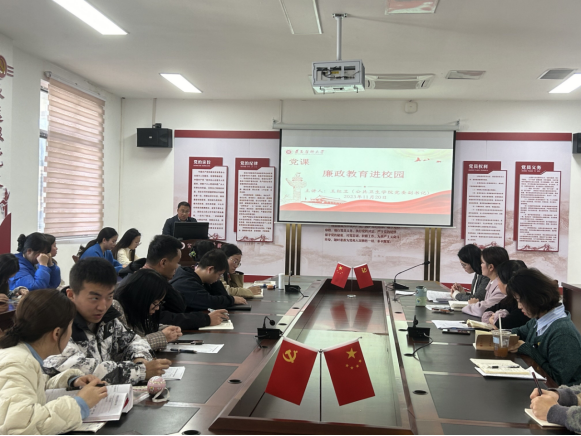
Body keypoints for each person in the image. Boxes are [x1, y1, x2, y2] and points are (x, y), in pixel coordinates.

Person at [44, 258, 172, 385]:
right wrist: (140, 371)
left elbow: (135, 340)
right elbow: (84, 371)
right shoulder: (58, 326)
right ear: (71, 295)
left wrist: (140, 359)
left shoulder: (108, 319)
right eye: (95, 298)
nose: (103, 306)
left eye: (110, 297)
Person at [0, 289, 108, 434]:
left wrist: (71, 381)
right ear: (57, 333)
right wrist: (80, 404)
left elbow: (33, 386)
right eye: (70, 327)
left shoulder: (22, 356)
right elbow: (21, 425)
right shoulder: (18, 362)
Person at [119, 235, 229, 329]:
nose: (178, 267)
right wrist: (206, 319)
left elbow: (179, 306)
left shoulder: (156, 279)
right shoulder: (141, 283)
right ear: (163, 263)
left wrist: (164, 281)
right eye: (177, 262)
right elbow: (160, 318)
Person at [508, 268, 581, 386]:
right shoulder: (538, 320)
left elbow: (556, 381)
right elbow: (519, 332)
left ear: (533, 297)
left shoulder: (563, 333)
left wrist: (528, 350)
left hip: (557, 394)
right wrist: (500, 336)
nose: (519, 306)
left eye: (520, 300)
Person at [114, 269, 183, 351]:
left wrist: (166, 330)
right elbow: (124, 348)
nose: (157, 308)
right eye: (155, 303)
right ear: (140, 297)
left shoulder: (133, 310)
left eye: (160, 303)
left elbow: (141, 330)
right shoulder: (116, 308)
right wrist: (162, 337)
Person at [171, 249, 247, 312]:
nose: (218, 278)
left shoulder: (202, 280)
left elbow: (222, 296)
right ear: (210, 269)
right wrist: (232, 300)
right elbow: (210, 302)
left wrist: (215, 281)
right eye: (219, 274)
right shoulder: (186, 282)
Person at [481, 260, 530, 329]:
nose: (498, 283)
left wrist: (493, 320)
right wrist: (494, 320)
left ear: (507, 282)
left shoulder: (523, 302)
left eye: (498, 279)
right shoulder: (509, 299)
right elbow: (487, 311)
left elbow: (505, 324)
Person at [462, 246, 509, 318]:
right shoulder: (492, 282)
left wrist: (472, 305)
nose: (480, 265)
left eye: (482, 262)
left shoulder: (501, 287)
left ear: (491, 267)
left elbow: (481, 310)